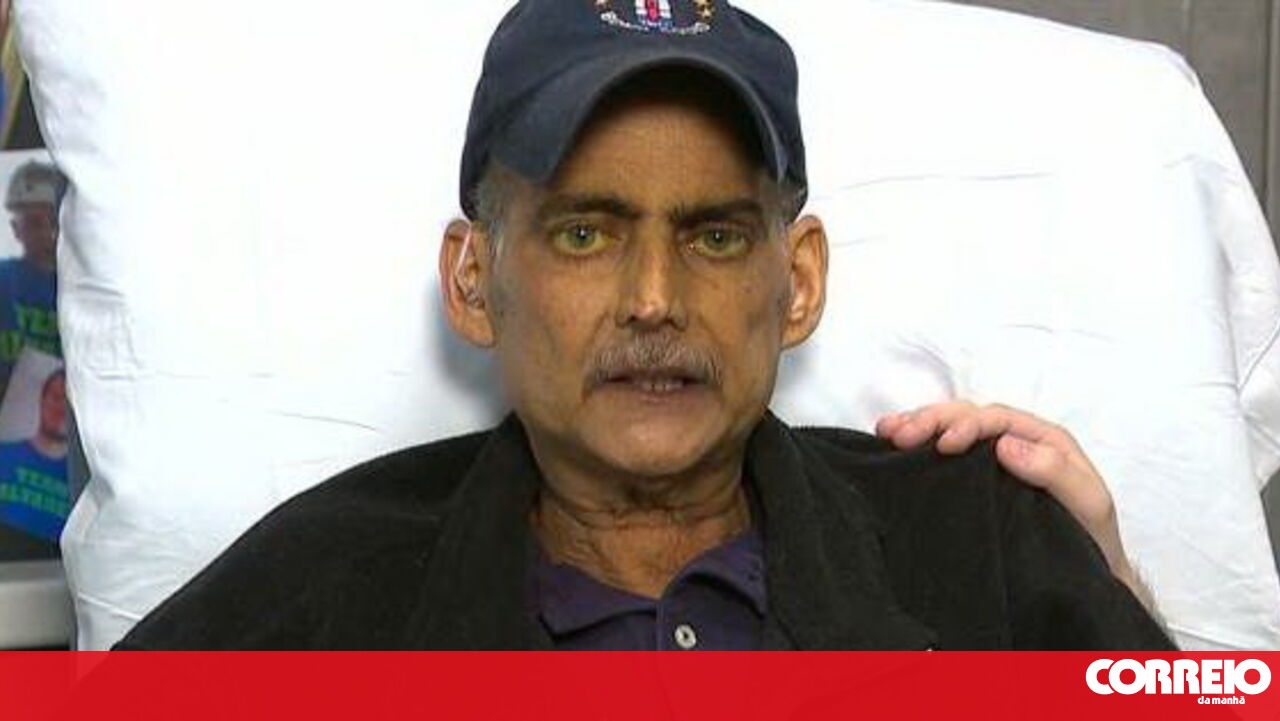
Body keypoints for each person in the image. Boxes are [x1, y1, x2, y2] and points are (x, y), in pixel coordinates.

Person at [116, 0, 1170, 650]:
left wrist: (1117, 596)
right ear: (474, 281)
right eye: (585, 233)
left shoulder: (978, 542)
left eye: (714, 235)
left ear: (797, 282)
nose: (654, 298)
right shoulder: (314, 598)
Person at [0, 161, 65, 399]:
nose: (48, 234)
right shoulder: (4, 280)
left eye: (55, 222)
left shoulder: (85, 291)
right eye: (35, 223)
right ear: (16, 228)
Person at [0, 368, 70, 541]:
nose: (62, 409)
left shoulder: (86, 485)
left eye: (70, 404)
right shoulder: (4, 454)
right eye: (56, 397)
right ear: (42, 400)